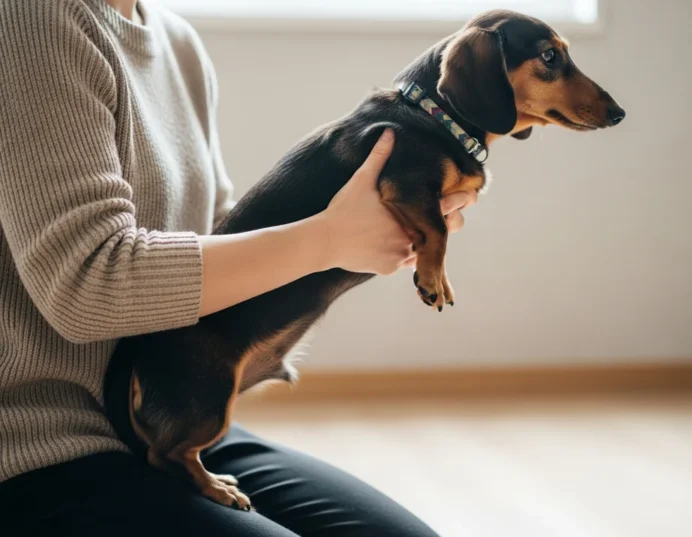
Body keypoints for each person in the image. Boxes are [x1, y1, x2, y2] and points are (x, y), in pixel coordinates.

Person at [0, 1, 477, 535]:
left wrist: (371, 225)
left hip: (166, 420)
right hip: (38, 451)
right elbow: (88, 286)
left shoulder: (176, 40)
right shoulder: (30, 20)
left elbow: (213, 237)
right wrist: (327, 238)